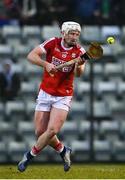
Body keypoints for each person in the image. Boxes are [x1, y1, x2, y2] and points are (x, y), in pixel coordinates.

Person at [17, 21, 89, 172]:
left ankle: (29, 156)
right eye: (71, 33)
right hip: (45, 92)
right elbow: (31, 56)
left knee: (52, 130)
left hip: (63, 96)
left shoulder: (80, 52)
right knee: (40, 133)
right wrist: (46, 64)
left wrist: (79, 64)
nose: (74, 37)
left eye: (77, 34)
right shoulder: (52, 43)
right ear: (63, 33)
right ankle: (63, 150)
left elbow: (79, 74)